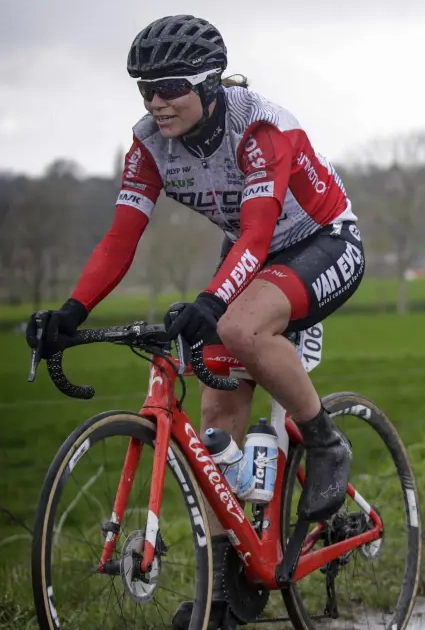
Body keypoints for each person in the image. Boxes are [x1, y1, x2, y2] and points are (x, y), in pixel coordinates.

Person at [24, 15, 363, 628]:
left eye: (169, 87)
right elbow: (121, 239)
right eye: (145, 89)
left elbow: (258, 234)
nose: (156, 102)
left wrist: (211, 302)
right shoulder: (149, 145)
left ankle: (324, 441)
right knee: (215, 417)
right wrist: (72, 311)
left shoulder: (258, 129)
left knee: (237, 328)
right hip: (252, 253)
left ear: (209, 85)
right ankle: (229, 590)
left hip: (321, 240)